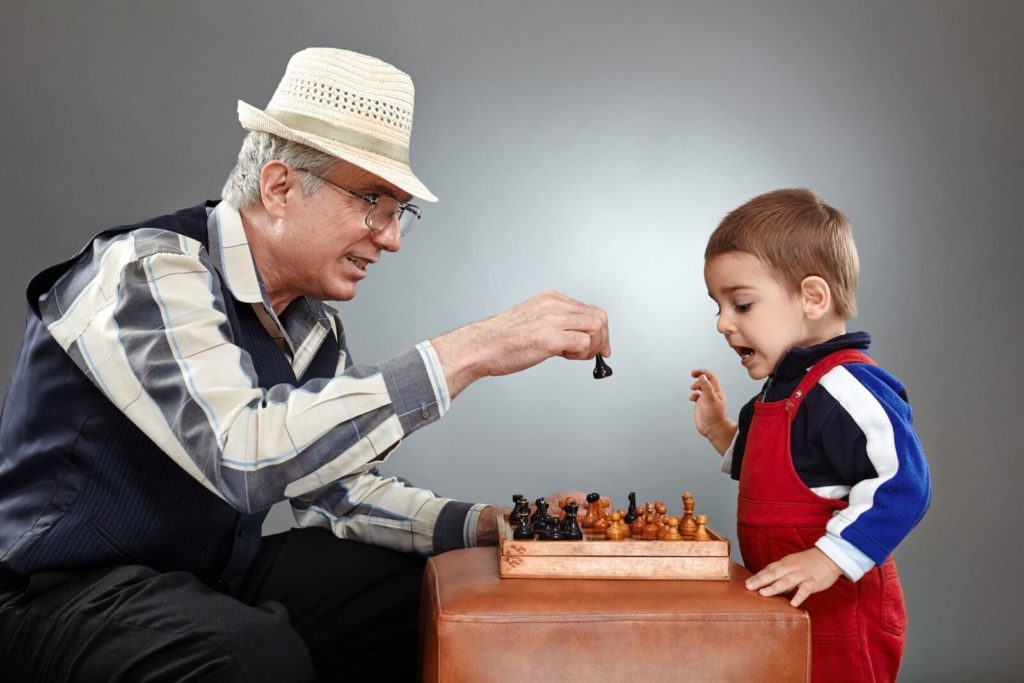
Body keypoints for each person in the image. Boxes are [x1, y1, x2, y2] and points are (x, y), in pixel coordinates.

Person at [0, 47, 610, 681]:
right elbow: (241, 454)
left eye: (400, 211)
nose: (392, 236)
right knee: (248, 652)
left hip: (199, 582)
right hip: (52, 595)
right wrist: (475, 349)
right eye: (373, 200)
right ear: (280, 187)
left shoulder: (311, 328)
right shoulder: (148, 271)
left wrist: (488, 527)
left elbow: (340, 494)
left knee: (433, 590)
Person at [688, 188, 930, 682]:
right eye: (718, 306)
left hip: (843, 614)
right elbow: (777, 468)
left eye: (741, 304)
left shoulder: (847, 385)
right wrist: (722, 432)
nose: (722, 323)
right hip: (785, 607)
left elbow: (903, 485)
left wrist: (828, 558)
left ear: (813, 298)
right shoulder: (779, 390)